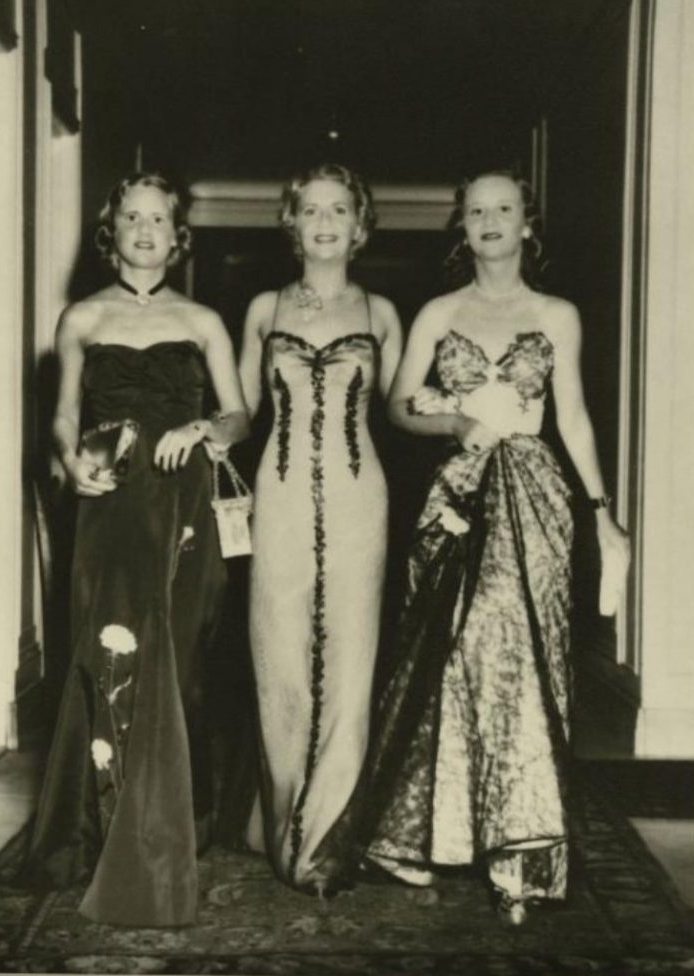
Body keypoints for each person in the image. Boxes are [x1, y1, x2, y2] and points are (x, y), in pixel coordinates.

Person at [359, 169, 630, 924]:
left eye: (502, 209)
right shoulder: (438, 312)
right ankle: (425, 833)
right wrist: (449, 424)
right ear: (462, 225)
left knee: (521, 656)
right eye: (475, 210)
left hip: (535, 497)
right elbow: (396, 404)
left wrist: (601, 511)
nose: (488, 221)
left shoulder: (557, 314)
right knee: (449, 653)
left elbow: (570, 417)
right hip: (455, 495)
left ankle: (523, 852)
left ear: (526, 225)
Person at [26, 171, 249, 927]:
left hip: (186, 510)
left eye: (160, 219)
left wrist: (204, 429)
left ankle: (174, 827)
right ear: (111, 229)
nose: (146, 230)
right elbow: (60, 420)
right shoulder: (81, 318)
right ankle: (90, 830)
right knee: (102, 656)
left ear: (178, 235)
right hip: (111, 507)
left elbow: (241, 414)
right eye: (132, 217)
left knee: (179, 662)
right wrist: (71, 463)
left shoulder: (205, 320)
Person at [238, 163, 402, 895]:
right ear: (292, 222)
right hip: (274, 496)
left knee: (350, 658)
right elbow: (242, 411)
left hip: (360, 493)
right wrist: (202, 426)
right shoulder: (262, 307)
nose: (326, 221)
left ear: (359, 225)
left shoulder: (383, 311)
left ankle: (326, 835)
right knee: (277, 653)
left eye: (340, 209)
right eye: (311, 210)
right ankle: (279, 817)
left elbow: (403, 407)